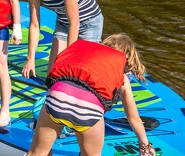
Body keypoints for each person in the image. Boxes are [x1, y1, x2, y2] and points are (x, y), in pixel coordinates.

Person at [27, 34, 155, 156]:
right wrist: (145, 145)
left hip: (57, 99)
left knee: (37, 152)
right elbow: (134, 119)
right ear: (126, 57)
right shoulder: (122, 78)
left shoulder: (81, 57)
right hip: (88, 112)